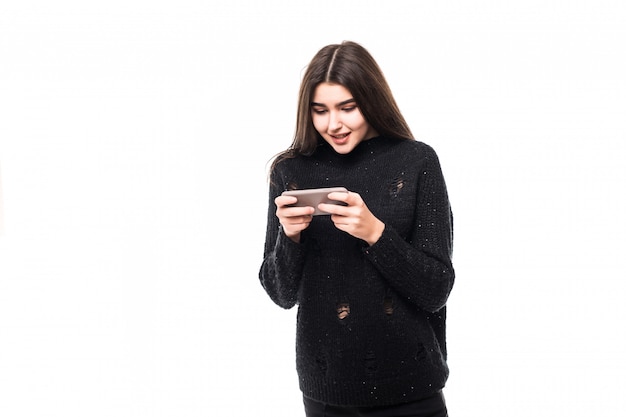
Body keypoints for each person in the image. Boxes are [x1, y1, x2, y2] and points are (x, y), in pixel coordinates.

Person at [259, 40, 454, 417]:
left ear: (372, 99)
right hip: (326, 391)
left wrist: (376, 234)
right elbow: (280, 294)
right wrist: (291, 237)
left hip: (411, 387)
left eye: (347, 107)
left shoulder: (418, 161)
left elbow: (437, 288)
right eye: (320, 110)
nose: (334, 123)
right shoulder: (290, 171)